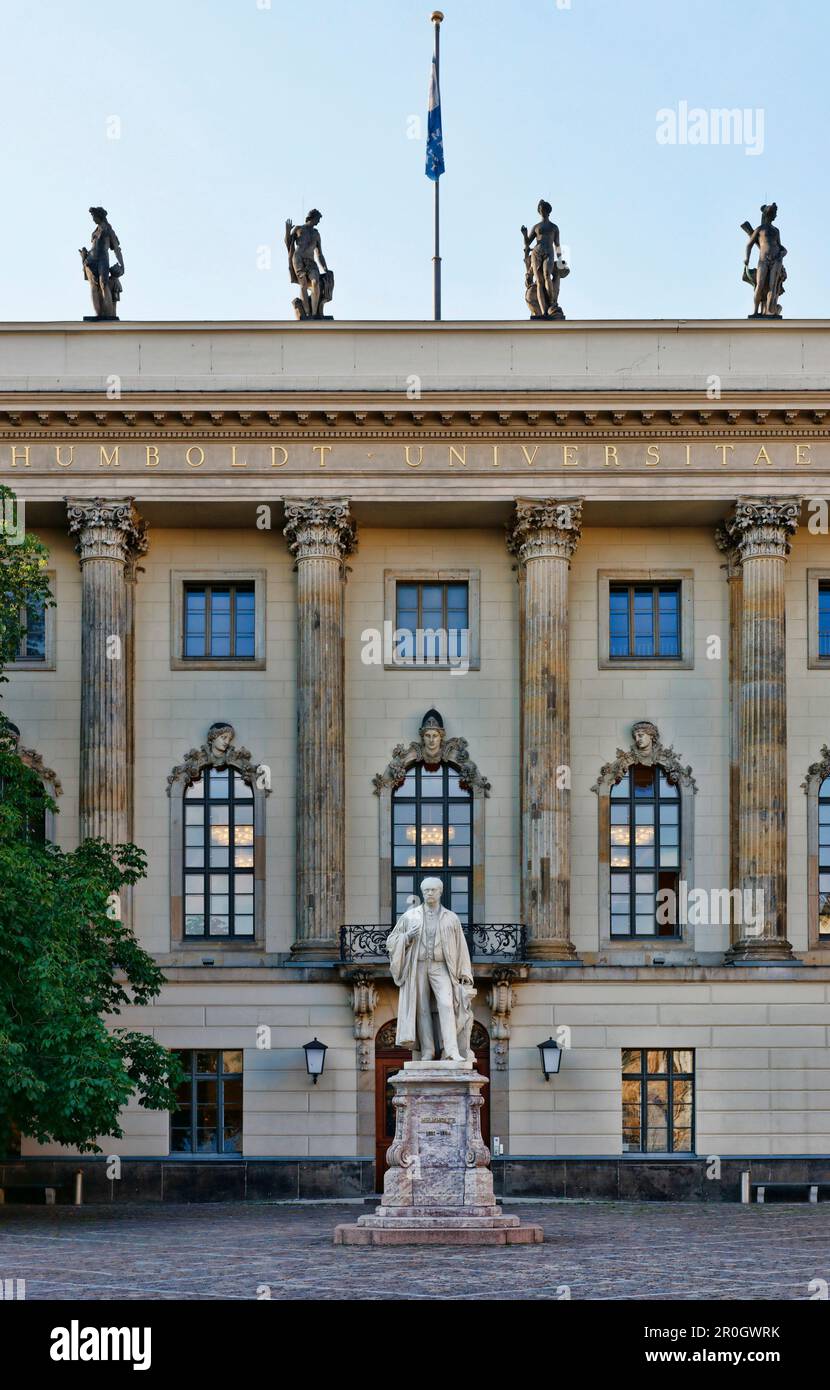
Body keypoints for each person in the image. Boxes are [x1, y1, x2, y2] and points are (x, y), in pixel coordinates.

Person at [387, 877, 474, 1061]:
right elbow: (392, 941)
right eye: (426, 890)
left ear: (441, 891)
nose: (429, 893)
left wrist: (465, 972)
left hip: (441, 966)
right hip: (417, 966)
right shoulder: (410, 917)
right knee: (422, 1008)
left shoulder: (451, 917)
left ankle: (451, 1050)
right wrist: (407, 937)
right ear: (422, 892)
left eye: (433, 890)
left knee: (446, 1004)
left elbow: (461, 947)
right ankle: (428, 1050)